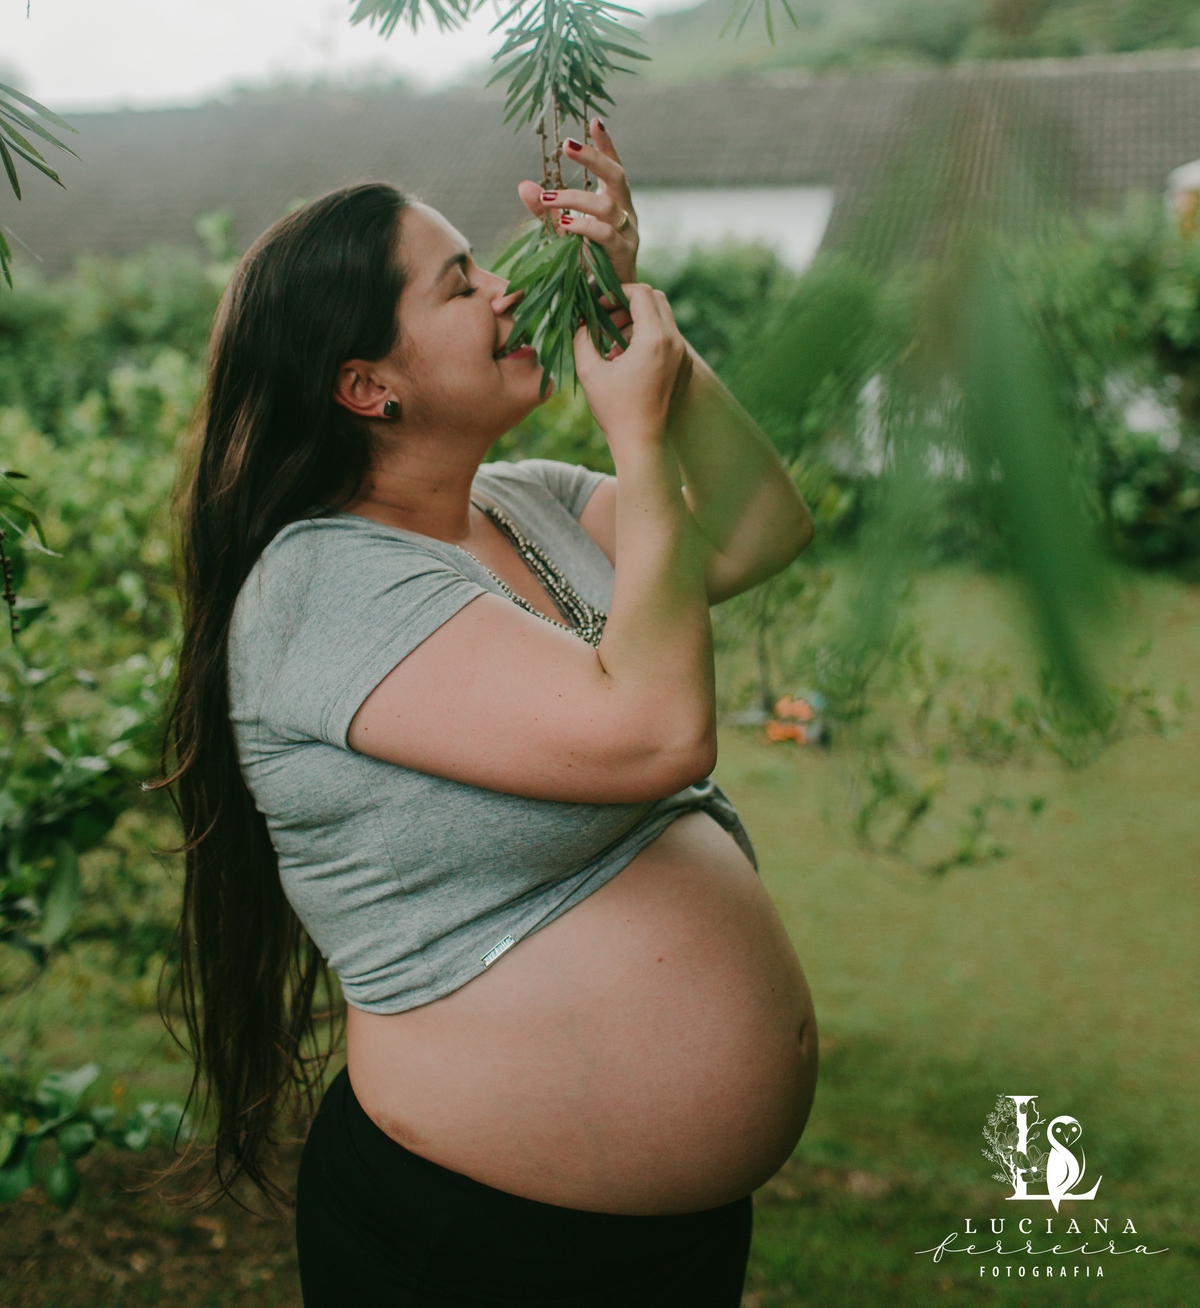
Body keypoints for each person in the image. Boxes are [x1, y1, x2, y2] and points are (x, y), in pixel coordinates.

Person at [166, 119, 819, 1308]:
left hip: (661, 1241)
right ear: (368, 386)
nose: (508, 289)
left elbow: (757, 526)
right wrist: (633, 425)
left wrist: (627, 311)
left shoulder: (526, 506)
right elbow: (657, 735)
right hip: (474, 1250)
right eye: (460, 281)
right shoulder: (322, 584)